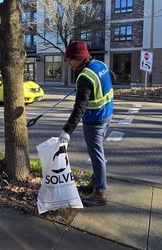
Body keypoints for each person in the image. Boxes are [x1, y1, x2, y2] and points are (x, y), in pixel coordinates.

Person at [58, 41, 114, 207]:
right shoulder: (99, 64)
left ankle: (100, 193)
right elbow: (110, 75)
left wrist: (67, 130)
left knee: (97, 156)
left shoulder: (84, 78)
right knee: (97, 154)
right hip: (107, 114)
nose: (68, 64)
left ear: (80, 58)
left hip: (95, 120)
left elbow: (79, 108)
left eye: (70, 60)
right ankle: (95, 182)